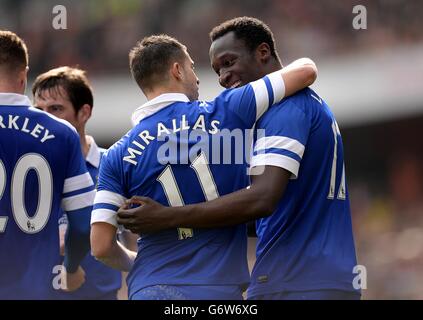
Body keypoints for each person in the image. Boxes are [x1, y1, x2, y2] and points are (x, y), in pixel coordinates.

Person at [117, 17, 360, 300]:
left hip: (293, 279)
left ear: (263, 52)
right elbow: (278, 209)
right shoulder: (308, 103)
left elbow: (262, 198)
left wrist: (167, 217)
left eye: (229, 62)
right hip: (325, 277)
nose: (223, 77)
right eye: (218, 70)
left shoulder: (284, 111)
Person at [90, 34, 316, 300]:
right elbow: (306, 70)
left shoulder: (117, 154)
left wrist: (140, 264)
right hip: (215, 291)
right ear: (176, 70)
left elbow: (101, 246)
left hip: (149, 288)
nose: (197, 78)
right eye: (192, 67)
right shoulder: (227, 109)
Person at [0, 30, 93, 299]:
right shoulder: (61, 133)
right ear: (24, 74)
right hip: (37, 289)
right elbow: (82, 224)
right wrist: (72, 267)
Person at [32, 66, 123, 300]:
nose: (45, 118)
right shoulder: (26, 168)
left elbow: (136, 236)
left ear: (84, 113)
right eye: (38, 110)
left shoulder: (114, 166)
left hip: (100, 295)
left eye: (55, 109)